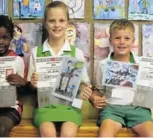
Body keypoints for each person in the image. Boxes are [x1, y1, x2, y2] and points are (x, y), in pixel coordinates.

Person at [27, 1, 92, 137]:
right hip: (44, 108)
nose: (57, 25)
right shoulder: (36, 52)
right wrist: (33, 84)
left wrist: (84, 90)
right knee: (48, 133)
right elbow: (31, 88)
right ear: (45, 23)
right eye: (52, 21)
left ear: (67, 23)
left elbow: (82, 84)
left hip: (70, 108)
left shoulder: (77, 53)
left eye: (61, 20)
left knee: (68, 134)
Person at [90, 19, 153, 137]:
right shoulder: (103, 65)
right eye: (117, 38)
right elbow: (98, 90)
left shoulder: (142, 64)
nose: (122, 42)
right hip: (112, 109)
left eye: (127, 38)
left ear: (133, 41)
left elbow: (151, 91)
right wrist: (93, 98)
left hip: (138, 109)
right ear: (110, 40)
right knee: (104, 135)